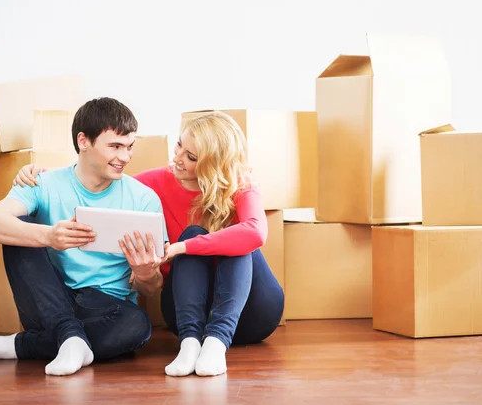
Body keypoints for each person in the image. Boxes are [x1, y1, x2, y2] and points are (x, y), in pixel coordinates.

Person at [15, 111, 285, 377]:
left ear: (213, 165)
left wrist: (180, 248)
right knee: (193, 233)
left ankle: (216, 342)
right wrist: (45, 176)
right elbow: (100, 180)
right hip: (190, 314)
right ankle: (190, 345)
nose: (177, 158)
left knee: (230, 238)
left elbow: (255, 233)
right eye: (179, 145)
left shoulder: (241, 185)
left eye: (190, 157)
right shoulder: (154, 183)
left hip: (253, 313)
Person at [0, 97, 167, 377]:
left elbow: (151, 289)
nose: (125, 157)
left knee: (137, 327)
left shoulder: (144, 199)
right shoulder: (42, 183)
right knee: (19, 227)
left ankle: (23, 345)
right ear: (84, 141)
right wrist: (49, 235)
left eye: (129, 147)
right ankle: (68, 336)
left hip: (106, 309)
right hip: (49, 302)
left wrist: (145, 274)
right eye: (115, 146)